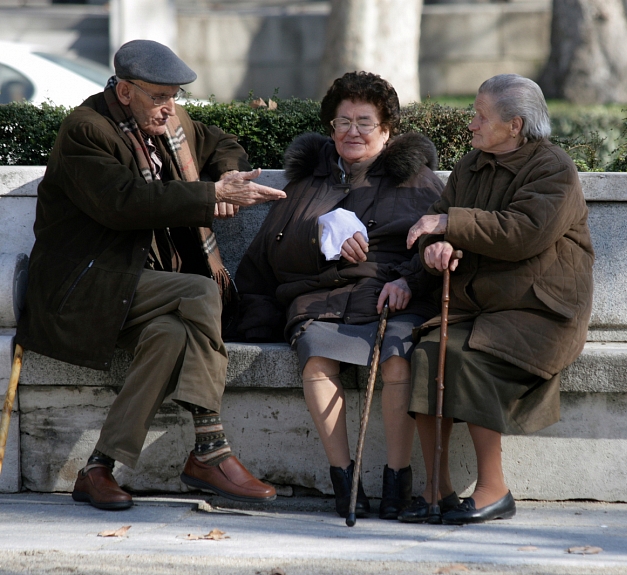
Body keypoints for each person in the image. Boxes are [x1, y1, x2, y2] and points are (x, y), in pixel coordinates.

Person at [15, 40, 287, 511]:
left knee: (168, 334)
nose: (169, 108)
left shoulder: (167, 122)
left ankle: (98, 468)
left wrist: (228, 181)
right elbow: (124, 204)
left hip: (142, 288)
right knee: (201, 291)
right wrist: (207, 194)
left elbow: (223, 143)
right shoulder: (86, 130)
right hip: (84, 287)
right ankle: (210, 449)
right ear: (125, 91)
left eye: (174, 96)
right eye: (159, 97)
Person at [234, 71, 444, 519]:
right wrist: (320, 237)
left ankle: (396, 479)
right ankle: (344, 480)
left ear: (387, 131)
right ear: (331, 127)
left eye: (365, 122)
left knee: (397, 355)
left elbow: (434, 244)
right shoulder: (309, 181)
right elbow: (270, 251)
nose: (353, 132)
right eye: (343, 121)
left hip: (392, 294)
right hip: (319, 298)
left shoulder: (417, 181)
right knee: (316, 357)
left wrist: (408, 280)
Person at [402, 74, 594, 525]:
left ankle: (494, 488)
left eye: (480, 116)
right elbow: (434, 224)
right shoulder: (472, 165)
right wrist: (434, 251)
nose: (470, 124)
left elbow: (523, 233)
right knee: (428, 354)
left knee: (466, 358)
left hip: (540, 312)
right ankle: (437, 488)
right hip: (480, 307)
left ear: (515, 125)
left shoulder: (553, 168)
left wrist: (450, 226)